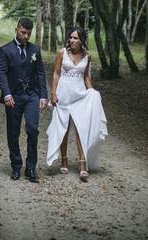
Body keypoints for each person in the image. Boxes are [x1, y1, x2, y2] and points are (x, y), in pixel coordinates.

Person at [46, 27, 108, 181]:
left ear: (81, 40)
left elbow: (86, 76)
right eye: (71, 38)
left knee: (81, 128)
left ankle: (82, 163)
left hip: (80, 96)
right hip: (63, 95)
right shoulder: (62, 53)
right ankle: (64, 159)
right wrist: (53, 93)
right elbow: (56, 73)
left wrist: (92, 92)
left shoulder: (88, 56)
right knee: (63, 128)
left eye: (75, 38)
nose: (72, 41)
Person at [0, 17, 48, 182]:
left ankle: (31, 168)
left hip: (32, 96)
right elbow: (2, 73)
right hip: (13, 97)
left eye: (29, 33)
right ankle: (16, 166)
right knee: (13, 132)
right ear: (16, 29)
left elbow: (40, 73)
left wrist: (43, 95)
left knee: (33, 130)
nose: (26, 36)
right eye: (23, 32)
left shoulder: (35, 50)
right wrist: (6, 93)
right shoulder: (5, 50)